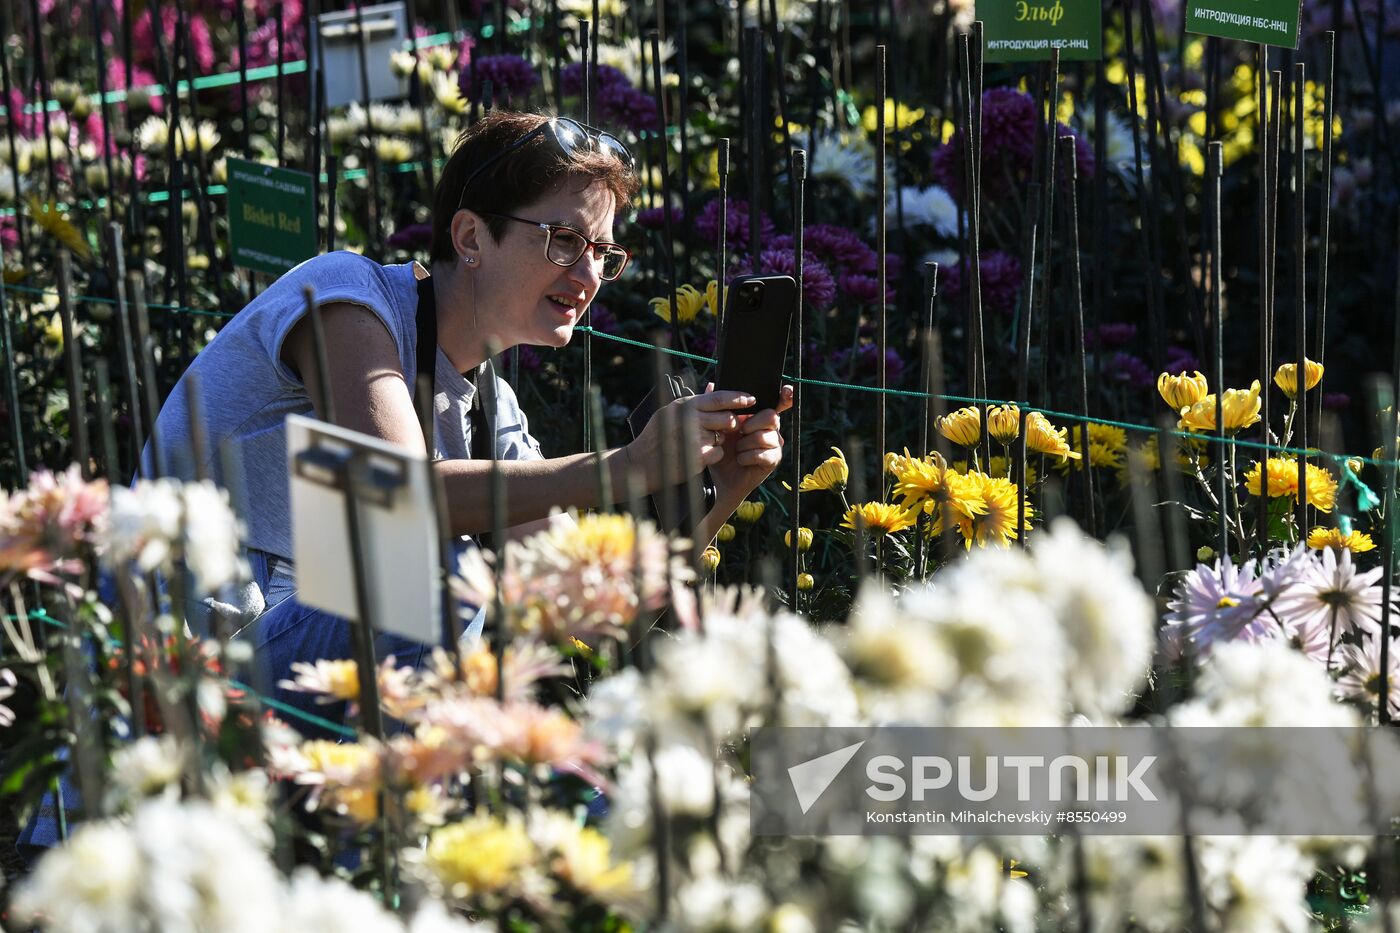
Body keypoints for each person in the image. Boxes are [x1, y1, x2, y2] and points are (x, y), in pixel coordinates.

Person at [145, 110, 793, 731]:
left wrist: (725, 487)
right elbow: (401, 496)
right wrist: (626, 468)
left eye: (604, 251)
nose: (591, 273)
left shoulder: (492, 412)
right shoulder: (344, 296)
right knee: (442, 582)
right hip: (182, 682)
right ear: (470, 237)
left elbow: (585, 622)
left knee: (596, 795)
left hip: (312, 694)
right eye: (566, 240)